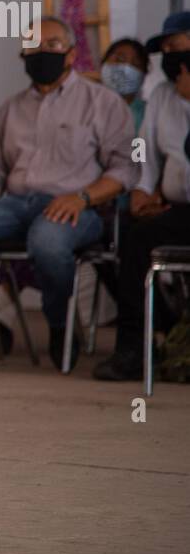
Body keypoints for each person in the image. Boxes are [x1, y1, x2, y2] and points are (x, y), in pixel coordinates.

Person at [0, 17, 138, 372]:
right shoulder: (11, 108)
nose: (41, 53)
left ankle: (59, 324)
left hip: (76, 206)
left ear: (71, 55)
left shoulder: (103, 103)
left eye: (51, 46)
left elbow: (126, 169)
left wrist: (83, 198)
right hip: (14, 204)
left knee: (48, 242)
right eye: (32, 47)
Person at [93, 29, 190, 380]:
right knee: (133, 237)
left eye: (180, 48)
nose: (174, 58)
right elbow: (145, 153)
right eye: (167, 51)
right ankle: (134, 347)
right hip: (177, 210)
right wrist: (141, 191)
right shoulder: (163, 96)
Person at [98, 37, 149, 134]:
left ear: (143, 75)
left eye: (136, 64)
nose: (126, 69)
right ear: (103, 63)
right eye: (119, 59)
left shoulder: (149, 113)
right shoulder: (85, 108)